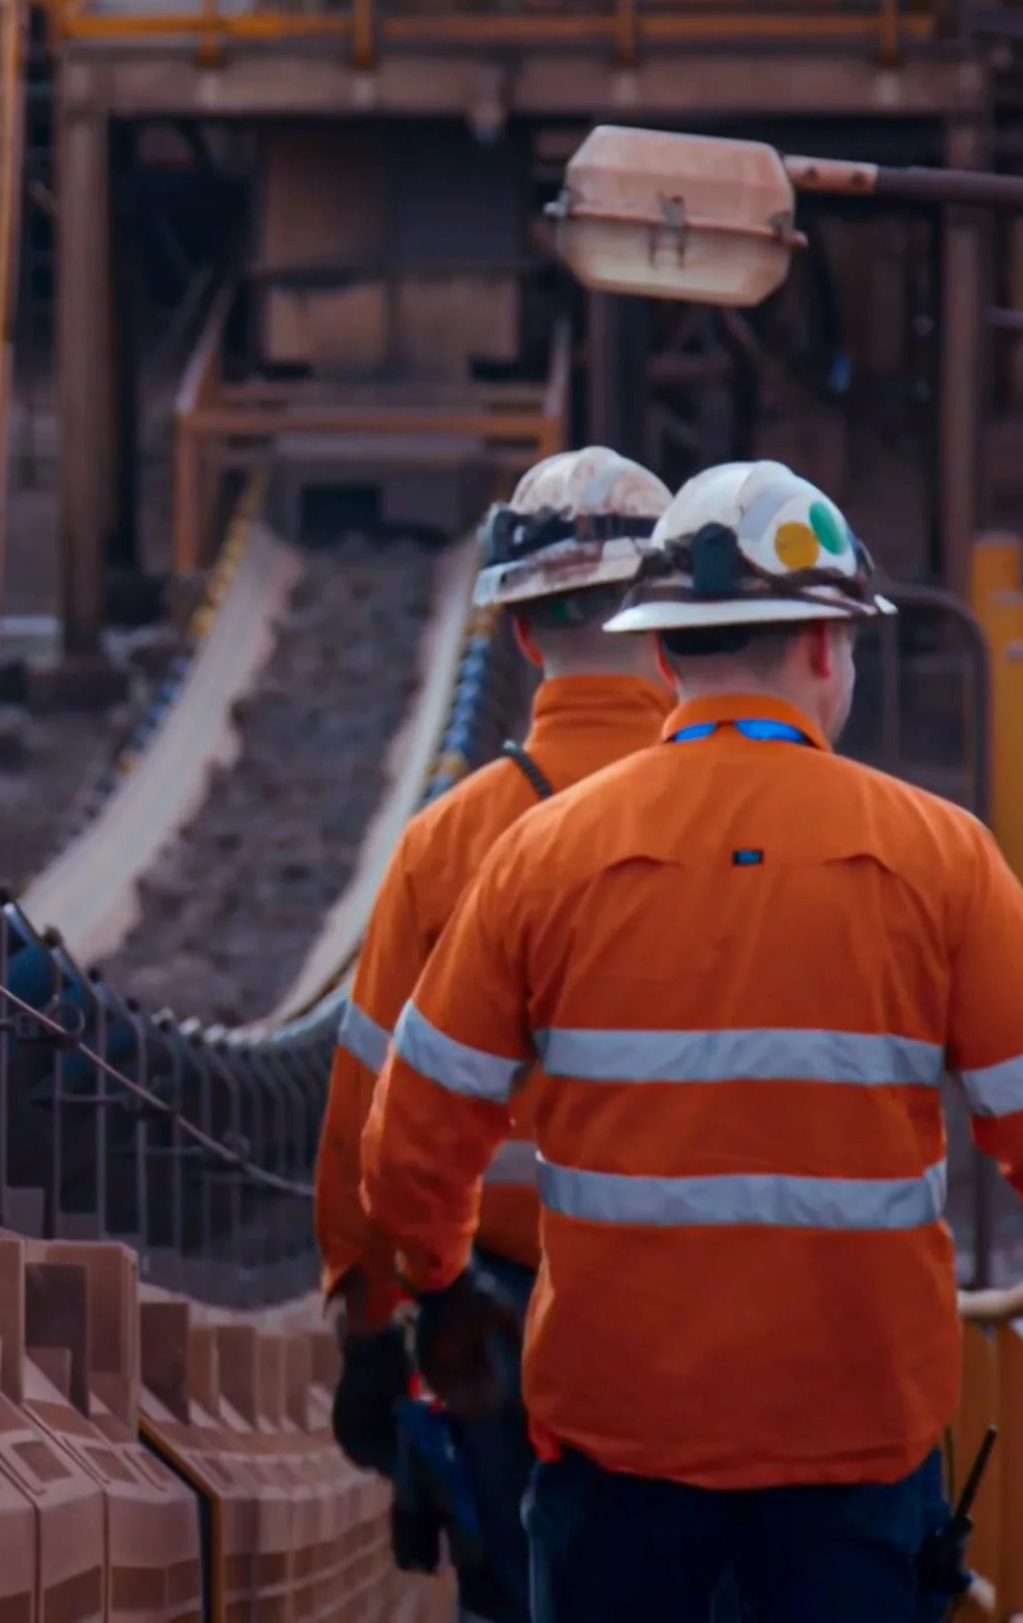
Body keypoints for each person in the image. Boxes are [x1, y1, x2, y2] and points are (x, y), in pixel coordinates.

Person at [358, 460, 1023, 1623]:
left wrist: (436, 1284)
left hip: (615, 1435)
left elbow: (415, 1136)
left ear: (665, 655)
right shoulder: (938, 854)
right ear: (828, 648)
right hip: (851, 1439)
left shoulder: (542, 854)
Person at [322, 448, 676, 1623]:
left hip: (507, 1326)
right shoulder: (795, 821)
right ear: (675, 621)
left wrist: (375, 1319)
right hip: (751, 1318)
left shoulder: (450, 843)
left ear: (521, 638)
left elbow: (371, 1111)